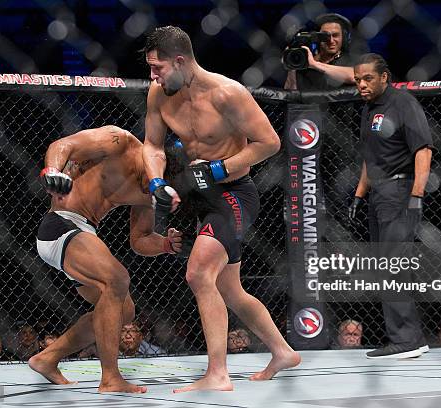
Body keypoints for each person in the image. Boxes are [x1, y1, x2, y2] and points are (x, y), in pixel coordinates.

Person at [143, 25, 301, 392]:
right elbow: (151, 146)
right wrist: (156, 182)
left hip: (234, 194)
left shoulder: (228, 93)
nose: (152, 76)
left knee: (199, 273)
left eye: (158, 68)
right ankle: (282, 351)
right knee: (230, 290)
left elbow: (270, 143)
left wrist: (219, 167)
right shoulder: (159, 94)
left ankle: (218, 373)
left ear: (180, 62)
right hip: (199, 195)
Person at [30, 125, 184, 394]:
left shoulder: (153, 191)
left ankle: (48, 358)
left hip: (84, 232)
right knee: (117, 278)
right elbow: (62, 145)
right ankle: (111, 378)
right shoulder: (119, 141)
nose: (150, 187)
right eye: (152, 180)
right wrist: (53, 171)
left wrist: (165, 245)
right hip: (61, 223)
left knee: (124, 311)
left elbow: (139, 240)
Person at [349, 53, 433, 359]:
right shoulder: (369, 109)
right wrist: (359, 194)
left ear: (385, 77)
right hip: (379, 194)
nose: (361, 84)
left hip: (400, 191)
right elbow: (370, 159)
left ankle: (408, 339)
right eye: (357, 79)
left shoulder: (403, 104)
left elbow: (423, 150)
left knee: (393, 266)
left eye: (368, 78)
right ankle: (402, 336)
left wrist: (416, 195)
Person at [284, 13, 355, 91]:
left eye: (335, 35)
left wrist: (314, 64)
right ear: (317, 37)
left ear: (344, 38)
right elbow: (290, 94)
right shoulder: (304, 62)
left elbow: (354, 76)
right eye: (325, 36)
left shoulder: (351, 60)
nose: (331, 41)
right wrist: (292, 65)